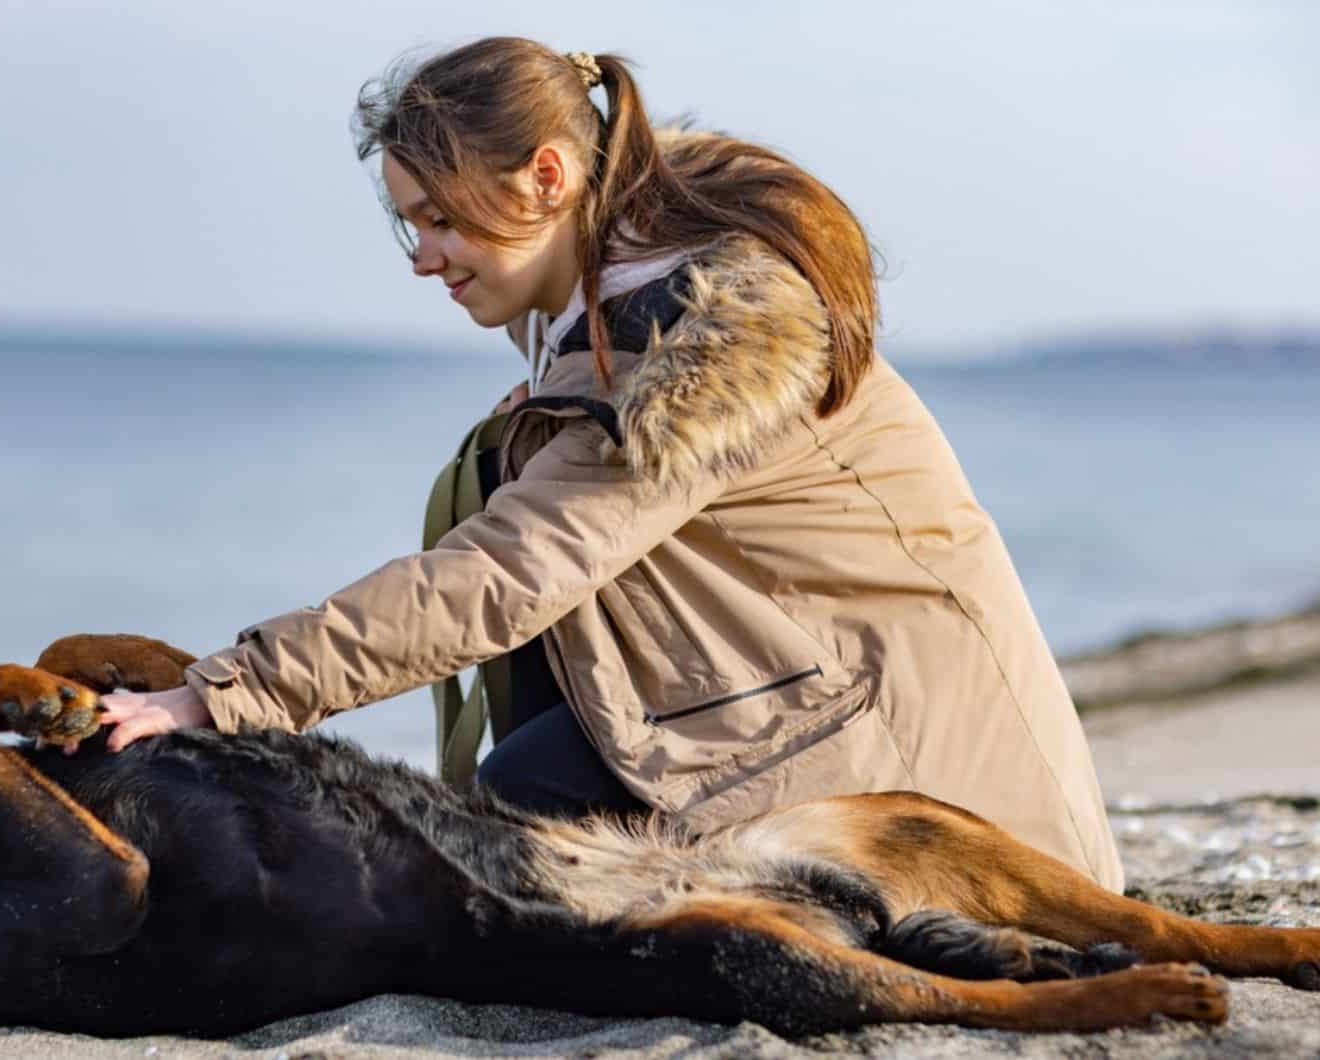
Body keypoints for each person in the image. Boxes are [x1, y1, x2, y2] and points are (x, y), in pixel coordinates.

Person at [96, 37, 1125, 890]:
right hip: (801, 684)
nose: (421, 257)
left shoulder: (693, 347)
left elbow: (500, 575)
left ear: (547, 177)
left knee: (490, 843)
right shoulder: (613, 282)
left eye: (441, 219)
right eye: (409, 224)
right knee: (500, 826)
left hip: (934, 778)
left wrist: (220, 694)